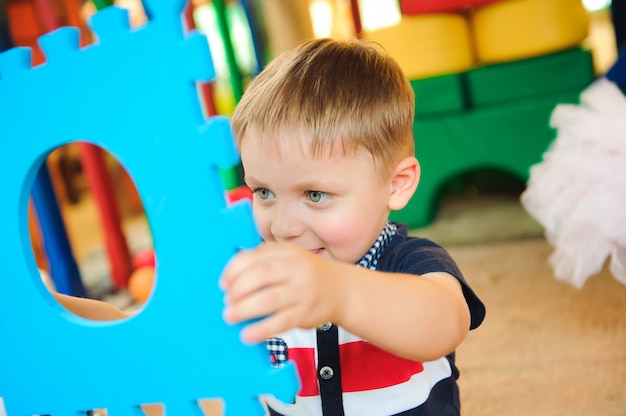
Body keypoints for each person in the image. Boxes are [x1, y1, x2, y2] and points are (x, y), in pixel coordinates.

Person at [219, 37, 485, 416]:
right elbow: (179, 338)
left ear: (396, 185)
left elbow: (445, 322)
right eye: (264, 191)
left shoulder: (411, 262)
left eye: (314, 195)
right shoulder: (259, 272)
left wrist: (339, 292)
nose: (283, 226)